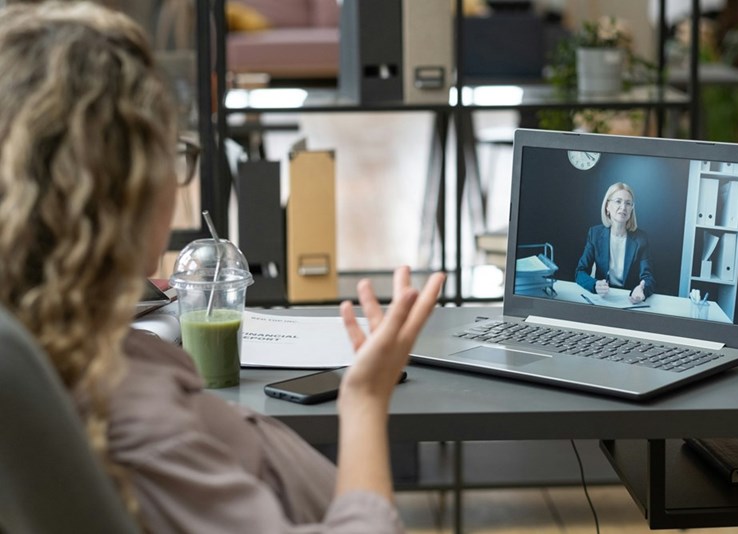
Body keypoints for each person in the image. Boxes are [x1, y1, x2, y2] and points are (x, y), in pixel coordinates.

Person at [0, 2, 445, 532]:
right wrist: (365, 399)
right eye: (174, 152)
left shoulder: (67, 337)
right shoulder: (136, 421)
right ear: (125, 189)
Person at [575, 182, 655, 304]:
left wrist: (642, 290)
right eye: (618, 201)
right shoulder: (595, 234)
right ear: (607, 206)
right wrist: (595, 285)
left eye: (628, 203)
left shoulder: (641, 238)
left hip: (629, 301)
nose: (623, 207)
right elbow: (580, 272)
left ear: (631, 209)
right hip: (604, 299)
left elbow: (648, 278)